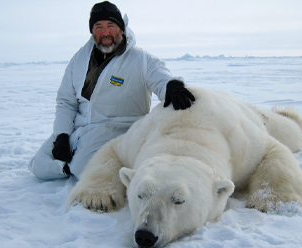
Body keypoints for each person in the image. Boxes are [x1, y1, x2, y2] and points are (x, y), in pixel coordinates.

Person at [28, 1, 195, 180]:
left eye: (111, 26)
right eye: (98, 27)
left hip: (118, 130)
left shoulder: (141, 59)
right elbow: (66, 102)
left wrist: (172, 86)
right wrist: (62, 135)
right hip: (79, 128)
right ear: (92, 32)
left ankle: (74, 167)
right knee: (38, 165)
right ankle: (67, 168)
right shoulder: (79, 60)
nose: (105, 33)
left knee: (85, 167)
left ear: (121, 30)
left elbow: (161, 78)